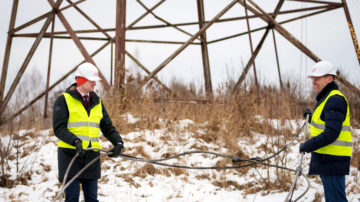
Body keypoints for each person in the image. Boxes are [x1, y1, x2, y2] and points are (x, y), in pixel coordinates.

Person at [53, 62, 124, 202]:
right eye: (92, 80)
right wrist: (75, 141)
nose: (95, 84)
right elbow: (59, 128)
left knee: (92, 199)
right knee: (72, 198)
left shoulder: (97, 102)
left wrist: (118, 142)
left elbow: (107, 127)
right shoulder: (64, 100)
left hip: (91, 157)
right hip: (70, 156)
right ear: (81, 80)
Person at [300, 61, 352, 202]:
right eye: (313, 79)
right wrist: (310, 118)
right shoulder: (326, 99)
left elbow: (331, 133)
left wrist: (308, 146)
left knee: (336, 199)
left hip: (332, 160)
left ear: (329, 79)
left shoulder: (334, 99)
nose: (313, 82)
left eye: (317, 79)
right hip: (328, 159)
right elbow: (326, 124)